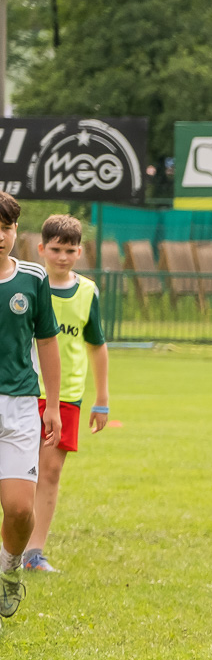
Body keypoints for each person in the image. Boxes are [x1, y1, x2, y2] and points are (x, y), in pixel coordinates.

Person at [25, 214, 110, 574]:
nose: (62, 256)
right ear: (41, 249)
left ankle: (33, 553)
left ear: (80, 252)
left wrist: (102, 399)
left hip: (68, 398)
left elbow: (97, 346)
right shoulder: (28, 285)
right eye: (56, 249)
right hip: (24, 390)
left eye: (70, 250)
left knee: (51, 472)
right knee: (15, 471)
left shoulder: (88, 292)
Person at [0, 193, 62, 628]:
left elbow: (47, 344)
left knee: (20, 510)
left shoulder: (33, 280)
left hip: (20, 405)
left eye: (4, 227)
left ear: (15, 231)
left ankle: (9, 569)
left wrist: (53, 405)